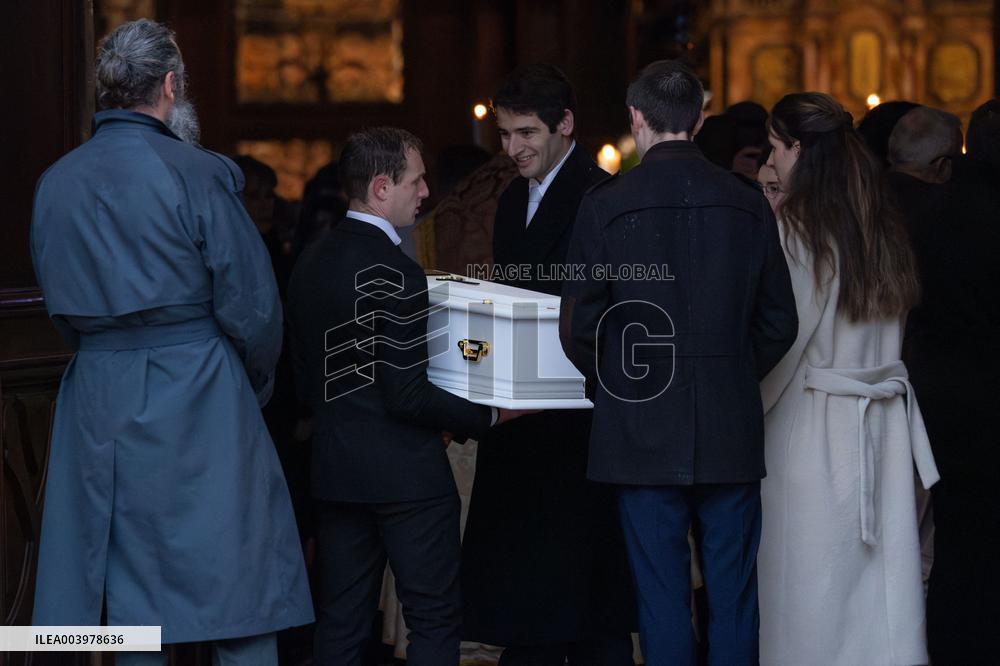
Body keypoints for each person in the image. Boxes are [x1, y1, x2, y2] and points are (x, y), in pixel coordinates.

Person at [29, 18, 313, 665]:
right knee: (237, 584)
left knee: (129, 599)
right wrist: (252, 381)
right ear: (169, 84)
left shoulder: (55, 184)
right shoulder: (196, 172)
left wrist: (108, 348)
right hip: (199, 388)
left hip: (99, 395)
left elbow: (59, 306)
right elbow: (253, 303)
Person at [560, 59, 798, 665]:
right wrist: (731, 373)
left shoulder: (605, 202)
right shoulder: (747, 202)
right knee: (734, 595)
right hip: (729, 420)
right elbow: (779, 323)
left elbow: (579, 326)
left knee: (661, 596)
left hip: (639, 425)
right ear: (699, 118)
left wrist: (620, 383)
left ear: (636, 118)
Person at [286, 127, 527, 666]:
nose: (425, 194)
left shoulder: (310, 263)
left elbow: (305, 382)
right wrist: (491, 413)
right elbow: (408, 396)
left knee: (342, 623)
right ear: (379, 187)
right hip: (408, 478)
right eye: (416, 182)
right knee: (434, 621)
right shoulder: (398, 271)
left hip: (336, 470)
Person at [459, 63, 636, 666]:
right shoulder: (512, 198)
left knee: (583, 588)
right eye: (506, 134)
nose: (513, 148)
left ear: (566, 125)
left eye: (527, 132)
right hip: (521, 408)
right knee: (531, 584)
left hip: (578, 411)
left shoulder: (603, 193)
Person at [759, 92, 940, 666]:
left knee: (812, 591)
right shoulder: (882, 226)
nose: (770, 161)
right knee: (875, 593)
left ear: (796, 149)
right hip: (882, 428)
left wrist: (748, 409)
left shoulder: (799, 230)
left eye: (773, 148)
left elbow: (786, 340)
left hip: (813, 427)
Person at [888, 106, 1000, 666]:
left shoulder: (920, 213)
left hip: (931, 393)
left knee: (948, 544)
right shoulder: (964, 209)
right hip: (981, 396)